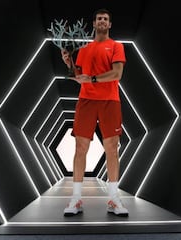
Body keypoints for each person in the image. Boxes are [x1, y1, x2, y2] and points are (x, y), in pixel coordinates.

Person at [60, 8, 128, 217]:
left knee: (112, 148)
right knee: (80, 147)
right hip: (86, 100)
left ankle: (114, 199)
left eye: (105, 19)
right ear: (94, 23)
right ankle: (76, 199)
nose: (102, 21)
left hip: (109, 100)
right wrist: (68, 63)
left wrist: (93, 79)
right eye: (99, 19)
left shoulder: (116, 46)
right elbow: (79, 76)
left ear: (109, 25)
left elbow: (117, 74)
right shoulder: (83, 50)